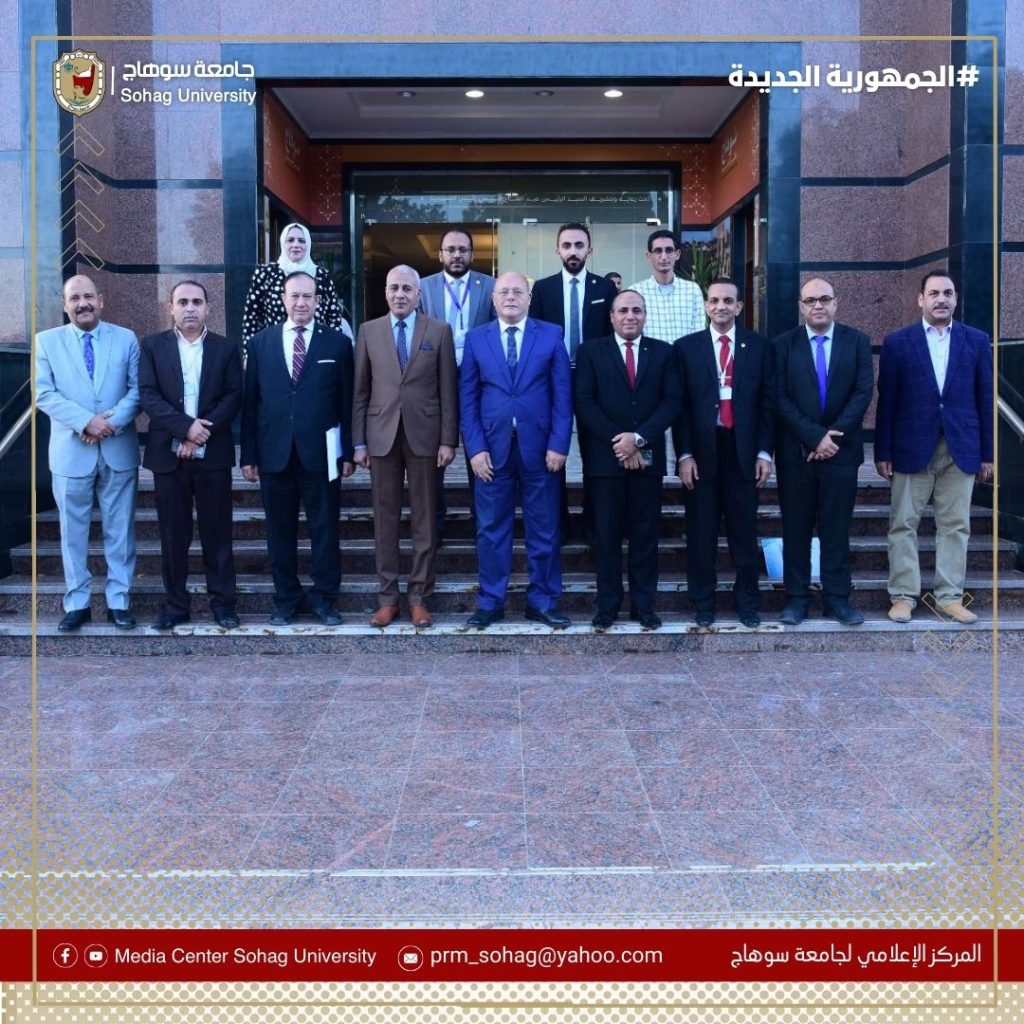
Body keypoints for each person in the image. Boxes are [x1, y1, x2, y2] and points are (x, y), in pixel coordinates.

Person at [874, 270, 994, 624]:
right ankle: (903, 596)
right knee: (902, 524)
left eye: (948, 293)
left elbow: (985, 400)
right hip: (910, 447)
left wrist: (988, 454)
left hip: (962, 447)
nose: (941, 299)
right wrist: (883, 451)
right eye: (934, 293)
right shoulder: (898, 342)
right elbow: (887, 401)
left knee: (955, 526)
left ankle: (949, 597)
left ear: (955, 299)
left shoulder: (976, 340)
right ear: (920, 299)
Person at [460, 271, 573, 629]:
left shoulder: (551, 335)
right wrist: (475, 449)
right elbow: (468, 399)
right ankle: (490, 602)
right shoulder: (476, 339)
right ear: (493, 299)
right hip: (491, 453)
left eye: (517, 291)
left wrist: (559, 444)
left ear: (529, 298)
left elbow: (563, 396)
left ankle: (542, 601)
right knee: (491, 530)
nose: (510, 297)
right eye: (504, 292)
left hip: (541, 451)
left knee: (544, 529)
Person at [240, 271, 354, 625]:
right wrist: (248, 454)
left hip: (322, 454)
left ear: (318, 300)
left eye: (308, 296)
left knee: (325, 530)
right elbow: (250, 402)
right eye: (295, 296)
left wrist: (348, 451)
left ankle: (324, 599)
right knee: (279, 532)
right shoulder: (260, 343)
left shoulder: (337, 344)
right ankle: (286, 599)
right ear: (283, 300)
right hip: (274, 454)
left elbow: (347, 402)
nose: (301, 302)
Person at [353, 266, 458, 628]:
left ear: (418, 295)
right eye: (394, 288)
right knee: (385, 521)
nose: (400, 294)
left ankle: (418, 598)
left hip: (425, 436)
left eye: (407, 289)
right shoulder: (368, 331)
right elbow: (360, 392)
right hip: (381, 436)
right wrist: (359, 442)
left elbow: (448, 390)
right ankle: (387, 598)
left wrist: (448, 439)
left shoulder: (439, 331)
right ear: (385, 292)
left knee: (424, 520)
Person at [35, 274, 140, 631]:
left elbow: (138, 390)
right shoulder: (47, 342)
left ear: (101, 299)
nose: (83, 304)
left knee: (120, 530)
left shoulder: (126, 339)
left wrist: (109, 424)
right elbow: (44, 394)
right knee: (72, 533)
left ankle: (119, 600)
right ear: (65, 305)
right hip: (70, 452)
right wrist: (85, 422)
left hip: (118, 448)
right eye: (75, 298)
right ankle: (77, 603)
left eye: (89, 296)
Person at [138, 280, 243, 630]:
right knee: (173, 535)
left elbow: (233, 395)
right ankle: (175, 606)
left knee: (218, 533)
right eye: (182, 302)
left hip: (213, 457)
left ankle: (223, 604)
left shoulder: (226, 349)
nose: (190, 308)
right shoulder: (152, 346)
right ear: (170, 308)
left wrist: (199, 435)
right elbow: (149, 396)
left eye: (197, 302)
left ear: (208, 308)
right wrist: (185, 429)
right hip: (168, 458)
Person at [575, 290, 680, 631]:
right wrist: (620, 441)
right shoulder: (590, 351)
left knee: (645, 537)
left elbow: (671, 401)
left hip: (646, 460)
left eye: (636, 310)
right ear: (611, 316)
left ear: (645, 315)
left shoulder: (663, 353)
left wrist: (638, 439)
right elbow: (584, 402)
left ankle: (643, 606)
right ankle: (607, 606)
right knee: (606, 538)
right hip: (606, 461)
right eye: (623, 310)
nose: (630, 316)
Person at [672, 277, 774, 628]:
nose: (721, 306)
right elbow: (681, 408)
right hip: (702, 453)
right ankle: (703, 602)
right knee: (701, 533)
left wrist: (765, 452)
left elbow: (767, 404)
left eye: (728, 301)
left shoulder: (758, 347)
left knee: (743, 533)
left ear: (739, 307)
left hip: (743, 452)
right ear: (705, 306)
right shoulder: (686, 348)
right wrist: (684, 454)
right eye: (714, 300)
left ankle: (747, 602)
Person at [772, 277, 873, 626]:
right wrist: (815, 437)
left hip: (841, 455)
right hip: (796, 455)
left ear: (835, 303)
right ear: (801, 307)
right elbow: (779, 397)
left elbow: (862, 393)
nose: (818, 305)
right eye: (811, 300)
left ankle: (837, 600)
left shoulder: (857, 341)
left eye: (824, 299)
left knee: (836, 530)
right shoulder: (783, 345)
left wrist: (832, 439)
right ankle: (797, 599)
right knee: (795, 530)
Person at [528, 222, 619, 544]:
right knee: (553, 454)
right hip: (553, 381)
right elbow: (535, 338)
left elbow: (612, 337)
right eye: (567, 245)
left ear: (589, 250)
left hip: (596, 383)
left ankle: (595, 527)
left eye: (579, 245)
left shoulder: (605, 288)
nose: (573, 251)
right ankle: (560, 526)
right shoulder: (543, 289)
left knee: (597, 453)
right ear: (557, 250)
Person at [419, 227, 495, 541]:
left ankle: (482, 524)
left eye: (463, 249)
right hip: (436, 381)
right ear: (440, 254)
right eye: (450, 249)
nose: (457, 255)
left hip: (479, 381)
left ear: (472, 254)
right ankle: (435, 526)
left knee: (480, 450)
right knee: (434, 454)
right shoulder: (423, 287)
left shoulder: (490, 285)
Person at [241, 222, 352, 346]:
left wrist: (333, 350)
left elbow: (333, 317)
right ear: (283, 243)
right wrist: (251, 352)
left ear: (308, 244)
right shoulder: (266, 274)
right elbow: (252, 316)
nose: (296, 245)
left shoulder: (322, 276)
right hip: (274, 348)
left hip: (316, 348)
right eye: (290, 240)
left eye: (301, 241)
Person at [628, 229, 705, 343]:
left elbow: (699, 333)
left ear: (677, 254)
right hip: (650, 354)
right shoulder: (635, 292)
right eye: (658, 251)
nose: (664, 257)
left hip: (684, 354)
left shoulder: (692, 290)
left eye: (669, 250)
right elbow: (632, 334)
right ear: (648, 255)